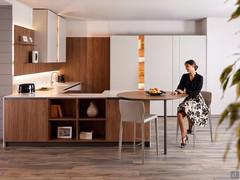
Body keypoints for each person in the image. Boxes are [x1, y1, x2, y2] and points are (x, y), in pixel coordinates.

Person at [173, 60, 209, 148]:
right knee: (179, 113)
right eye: (185, 66)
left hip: (197, 101)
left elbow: (197, 91)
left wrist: (184, 91)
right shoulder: (184, 76)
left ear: (193, 66)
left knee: (186, 107)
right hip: (188, 99)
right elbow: (180, 87)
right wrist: (176, 91)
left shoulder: (200, 77)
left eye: (187, 66)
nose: (186, 68)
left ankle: (190, 127)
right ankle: (184, 137)